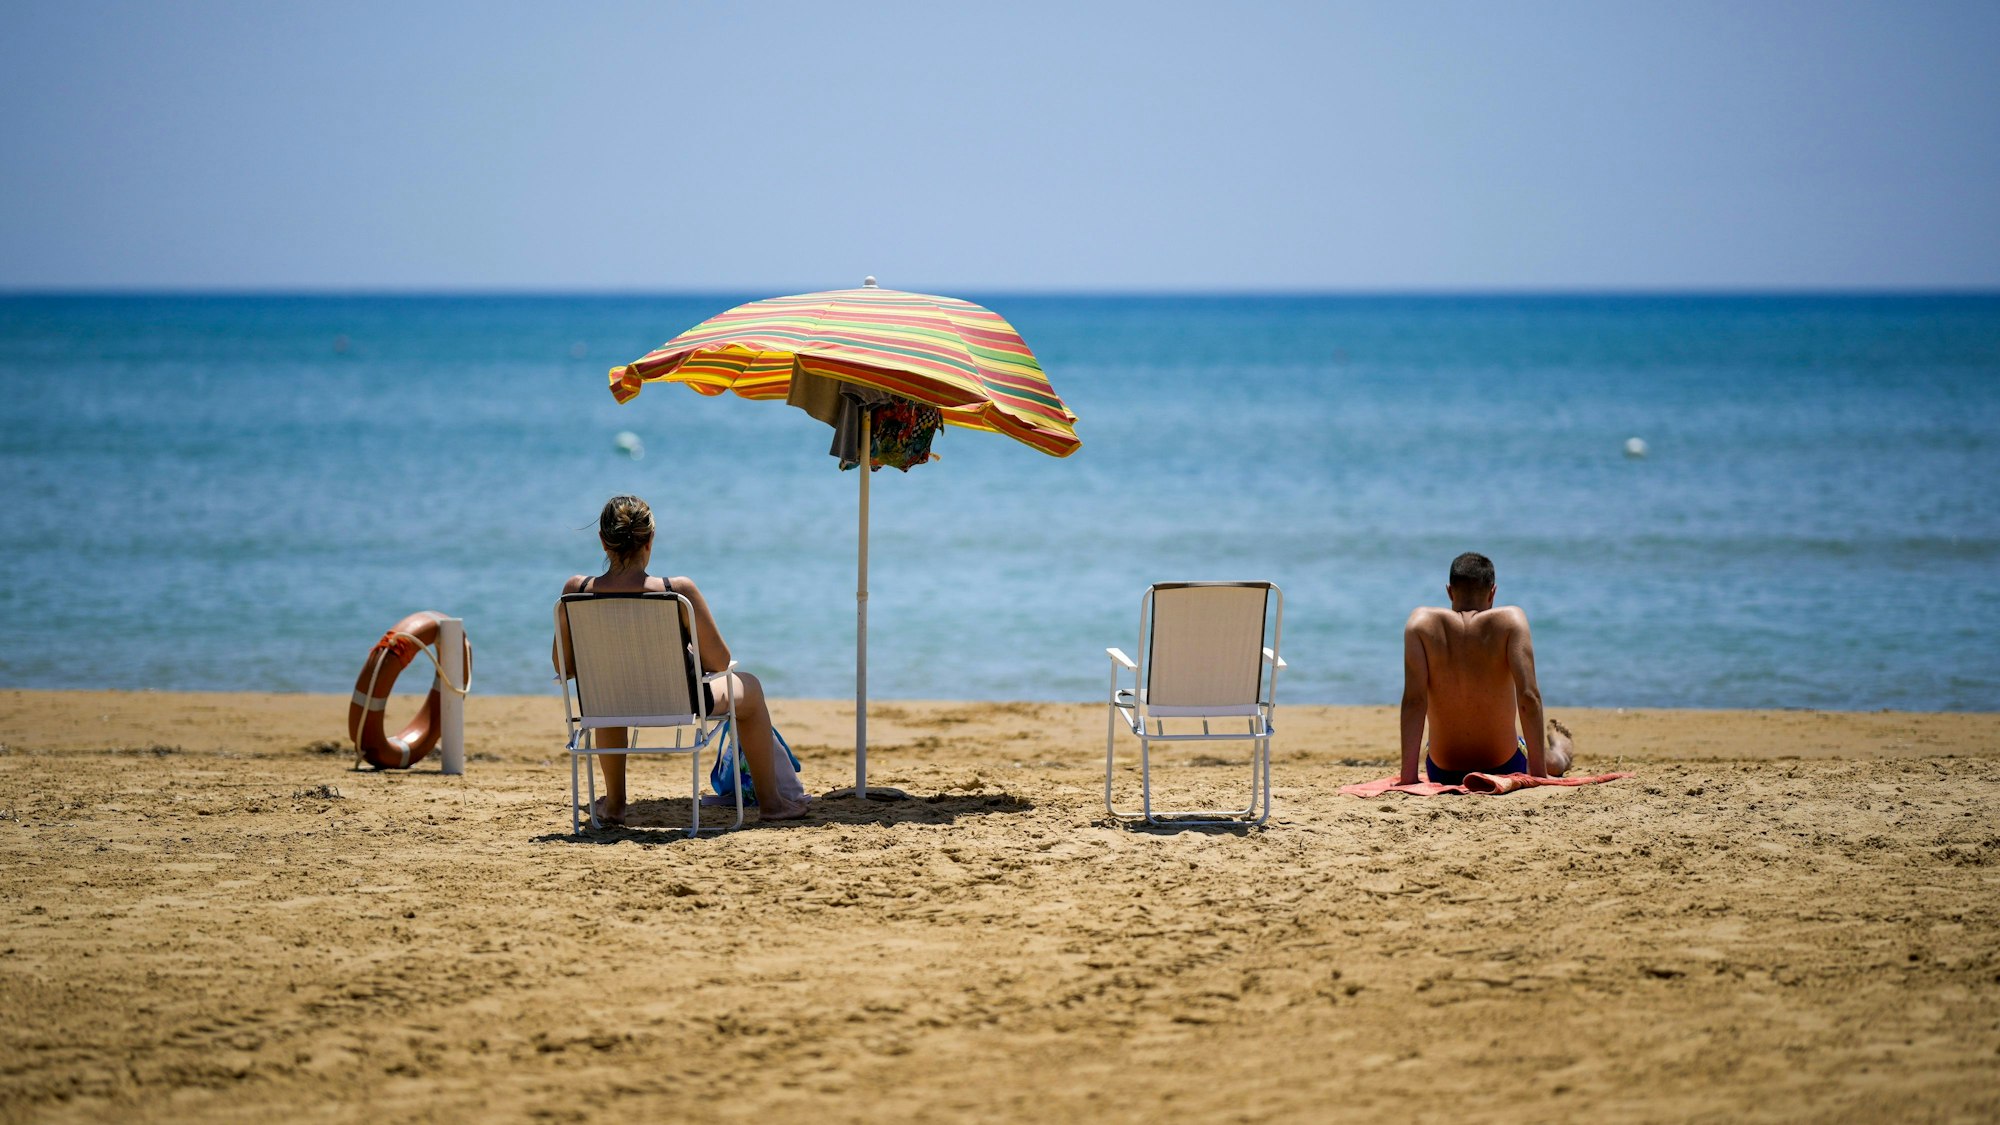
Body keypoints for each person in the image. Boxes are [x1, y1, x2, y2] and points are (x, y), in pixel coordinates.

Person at [553, 495, 810, 825]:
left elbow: (563, 667)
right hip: (680, 701)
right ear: (650, 539)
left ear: (603, 541)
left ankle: (615, 804)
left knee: (608, 693)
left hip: (609, 702)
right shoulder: (679, 591)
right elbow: (720, 662)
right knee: (751, 688)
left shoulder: (575, 590)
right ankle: (772, 804)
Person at [1400, 552, 1575, 785]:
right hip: (1505, 765)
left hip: (1442, 771)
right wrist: (1539, 776)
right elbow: (1528, 697)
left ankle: (1558, 749)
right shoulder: (1511, 620)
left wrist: (1408, 779)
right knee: (1552, 760)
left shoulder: (1419, 623)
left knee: (1430, 745)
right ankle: (1561, 751)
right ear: (1493, 592)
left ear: (1449, 591)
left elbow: (1414, 701)